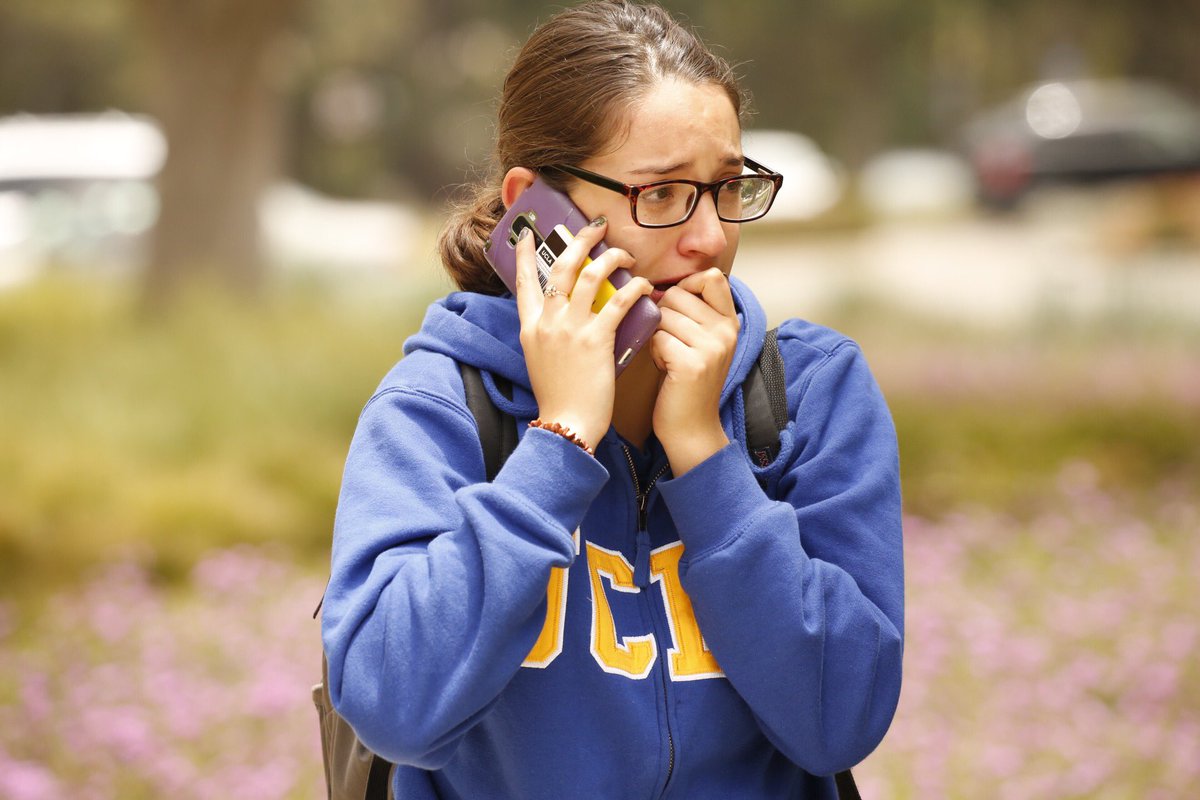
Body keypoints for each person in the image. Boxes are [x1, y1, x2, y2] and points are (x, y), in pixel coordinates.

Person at [321, 2, 904, 798]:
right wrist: (558, 445)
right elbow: (394, 710)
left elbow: (841, 720)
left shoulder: (807, 394)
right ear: (538, 210)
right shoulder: (441, 407)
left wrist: (707, 462)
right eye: (661, 195)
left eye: (727, 187)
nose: (708, 238)